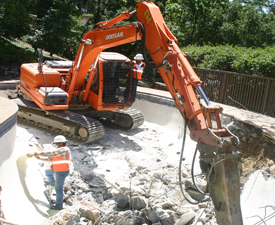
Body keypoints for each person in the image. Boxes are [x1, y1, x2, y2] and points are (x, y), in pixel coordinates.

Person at [26, 135, 71, 210]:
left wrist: (36, 153)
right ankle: (53, 183)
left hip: (62, 171)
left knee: (58, 188)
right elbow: (50, 159)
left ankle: (59, 205)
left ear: (61, 143)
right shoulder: (59, 152)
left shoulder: (64, 150)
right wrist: (40, 158)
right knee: (47, 171)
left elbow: (51, 153)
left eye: (57, 144)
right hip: (57, 170)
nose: (56, 145)